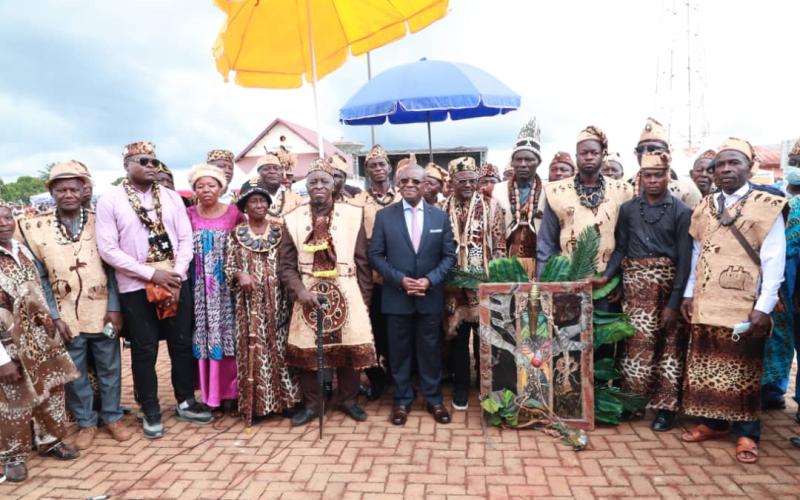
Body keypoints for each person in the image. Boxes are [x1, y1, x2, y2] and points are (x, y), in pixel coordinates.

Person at [679, 138, 787, 464]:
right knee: (709, 362)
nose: (726, 169)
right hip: (708, 300)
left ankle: (746, 432)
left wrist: (764, 306)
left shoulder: (767, 205)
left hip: (745, 303)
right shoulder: (705, 205)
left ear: (749, 167)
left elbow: (774, 258)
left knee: (744, 370)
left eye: (733, 163)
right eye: (720, 165)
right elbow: (696, 253)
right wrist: (689, 292)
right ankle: (714, 423)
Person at [96, 141, 212, 439]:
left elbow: (185, 240)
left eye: (154, 162)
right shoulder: (110, 200)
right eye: (143, 161)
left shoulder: (172, 198)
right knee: (144, 349)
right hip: (136, 286)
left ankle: (185, 401)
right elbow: (108, 249)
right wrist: (151, 274)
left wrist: (176, 275)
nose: (151, 166)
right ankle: (150, 409)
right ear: (127, 165)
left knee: (181, 344)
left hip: (175, 282)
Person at [19, 162, 131, 451]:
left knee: (110, 367)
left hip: (103, 310)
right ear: (52, 193)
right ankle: (86, 422)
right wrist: (54, 316)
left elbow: (113, 268)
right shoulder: (35, 228)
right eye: (61, 190)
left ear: (84, 191)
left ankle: (113, 417)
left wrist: (115, 308)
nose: (68, 194)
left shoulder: (100, 221)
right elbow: (41, 277)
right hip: (65, 314)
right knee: (75, 371)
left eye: (73, 189)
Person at [598, 151, 691, 431]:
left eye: (658, 175)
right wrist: (607, 277)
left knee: (669, 347)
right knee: (634, 347)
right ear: (640, 177)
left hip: (667, 286)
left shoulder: (681, 211)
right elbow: (621, 249)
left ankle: (665, 409)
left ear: (667, 176)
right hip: (635, 289)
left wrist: (673, 304)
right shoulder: (628, 209)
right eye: (647, 175)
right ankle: (632, 402)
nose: (652, 180)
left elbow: (685, 262)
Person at [279, 159, 376, 426]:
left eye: (324, 181)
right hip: (308, 292)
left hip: (347, 287)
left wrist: (364, 300)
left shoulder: (354, 214)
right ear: (307, 186)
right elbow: (286, 265)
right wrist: (299, 291)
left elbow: (362, 261)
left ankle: (348, 400)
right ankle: (313, 405)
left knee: (350, 348)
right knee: (308, 350)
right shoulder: (292, 218)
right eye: (313, 182)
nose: (319, 186)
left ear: (334, 185)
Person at [369, 163, 456, 425]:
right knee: (399, 353)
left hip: (429, 297)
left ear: (425, 185)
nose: (409, 185)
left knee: (430, 351)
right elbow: (376, 255)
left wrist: (429, 280)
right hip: (397, 297)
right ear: (398, 184)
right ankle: (402, 400)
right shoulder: (385, 216)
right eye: (404, 180)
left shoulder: (439, 217)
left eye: (415, 181)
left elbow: (449, 257)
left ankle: (434, 399)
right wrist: (399, 280)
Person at [0, 203, 80, 482]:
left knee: (52, 391)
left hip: (41, 338)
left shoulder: (21, 249)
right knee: (14, 401)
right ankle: (13, 457)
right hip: (9, 344)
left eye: (7, 217)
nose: (3, 222)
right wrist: (2, 360)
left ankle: (50, 441)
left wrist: (53, 321)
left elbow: (40, 290)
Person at [226, 182, 300, 420]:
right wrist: (240, 274)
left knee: (282, 347)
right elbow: (228, 266)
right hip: (250, 304)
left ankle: (288, 401)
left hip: (280, 301)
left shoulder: (280, 230)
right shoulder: (236, 234)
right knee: (254, 349)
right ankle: (257, 406)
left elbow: (291, 262)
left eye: (262, 201)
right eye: (253, 202)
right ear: (245, 207)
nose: (259, 205)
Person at [442, 157, 505, 410]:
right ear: (452, 182)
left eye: (472, 180)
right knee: (458, 340)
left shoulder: (491, 206)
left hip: (483, 282)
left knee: (484, 338)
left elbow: (499, 245)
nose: (468, 185)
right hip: (453, 286)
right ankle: (460, 386)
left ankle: (483, 384)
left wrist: (497, 279)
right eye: (462, 181)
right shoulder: (441, 207)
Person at [187, 164, 245, 416]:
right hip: (199, 289)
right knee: (205, 335)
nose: (206, 190)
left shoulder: (234, 213)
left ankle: (232, 393)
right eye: (200, 186)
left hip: (227, 288)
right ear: (194, 190)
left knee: (229, 334)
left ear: (221, 188)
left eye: (211, 185)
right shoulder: (189, 214)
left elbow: (244, 244)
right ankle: (211, 395)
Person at [537, 126, 633, 275]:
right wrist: (545, 280)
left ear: (603, 155)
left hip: (609, 277)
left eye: (594, 152)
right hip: (566, 278)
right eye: (583, 153)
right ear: (576, 156)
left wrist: (616, 277)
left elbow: (625, 242)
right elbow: (546, 243)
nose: (589, 157)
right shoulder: (557, 192)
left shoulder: (622, 191)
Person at [351, 145, 402, 400]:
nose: (378, 169)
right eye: (373, 165)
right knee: (372, 327)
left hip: (399, 272)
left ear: (389, 167)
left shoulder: (402, 197)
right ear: (366, 171)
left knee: (397, 328)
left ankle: (397, 375)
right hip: (369, 275)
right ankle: (376, 377)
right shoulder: (358, 202)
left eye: (382, 164)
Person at [492, 118, 546, 277]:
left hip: (540, 260)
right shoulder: (496, 190)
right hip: (505, 260)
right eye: (518, 159)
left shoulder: (550, 191)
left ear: (538, 162)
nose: (523, 164)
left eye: (529, 159)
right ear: (512, 162)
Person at [633, 117, 703, 209]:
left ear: (668, 153)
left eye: (652, 148)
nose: (645, 153)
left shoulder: (688, 189)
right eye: (640, 150)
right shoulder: (626, 187)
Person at [255, 152, 304, 218]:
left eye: (276, 168)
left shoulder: (297, 199)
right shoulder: (251, 199)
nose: (272, 171)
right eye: (266, 169)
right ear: (259, 174)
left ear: (281, 172)